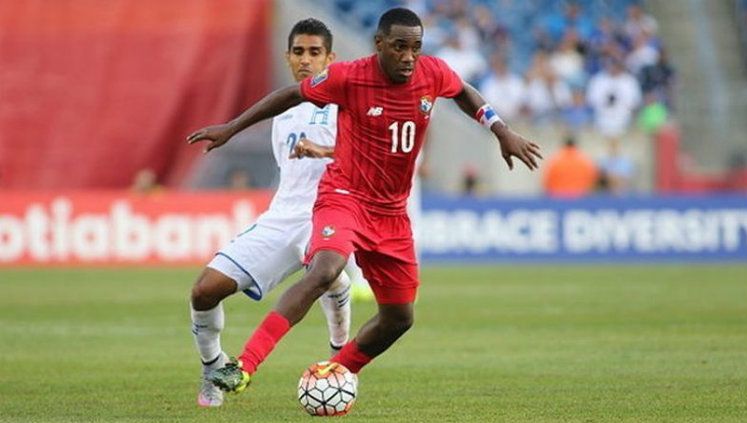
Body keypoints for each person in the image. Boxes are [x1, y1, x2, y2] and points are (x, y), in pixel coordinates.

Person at [187, 8, 542, 398]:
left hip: (392, 213)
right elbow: (289, 94)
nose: (409, 57)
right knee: (324, 269)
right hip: (344, 197)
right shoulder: (350, 76)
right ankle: (245, 364)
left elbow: (463, 92)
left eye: (415, 48)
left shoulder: (432, 72)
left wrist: (500, 129)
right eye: (399, 47)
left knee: (399, 318)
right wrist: (231, 128)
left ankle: (335, 372)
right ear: (379, 45)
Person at [188, 18, 363, 408]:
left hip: (330, 212)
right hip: (282, 217)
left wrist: (325, 151)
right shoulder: (282, 111)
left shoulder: (347, 103)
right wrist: (230, 129)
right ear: (287, 57)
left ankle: (339, 355)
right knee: (204, 291)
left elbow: (368, 156)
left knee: (325, 270)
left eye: (314, 52)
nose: (305, 60)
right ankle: (212, 365)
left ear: (330, 58)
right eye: (298, 52)